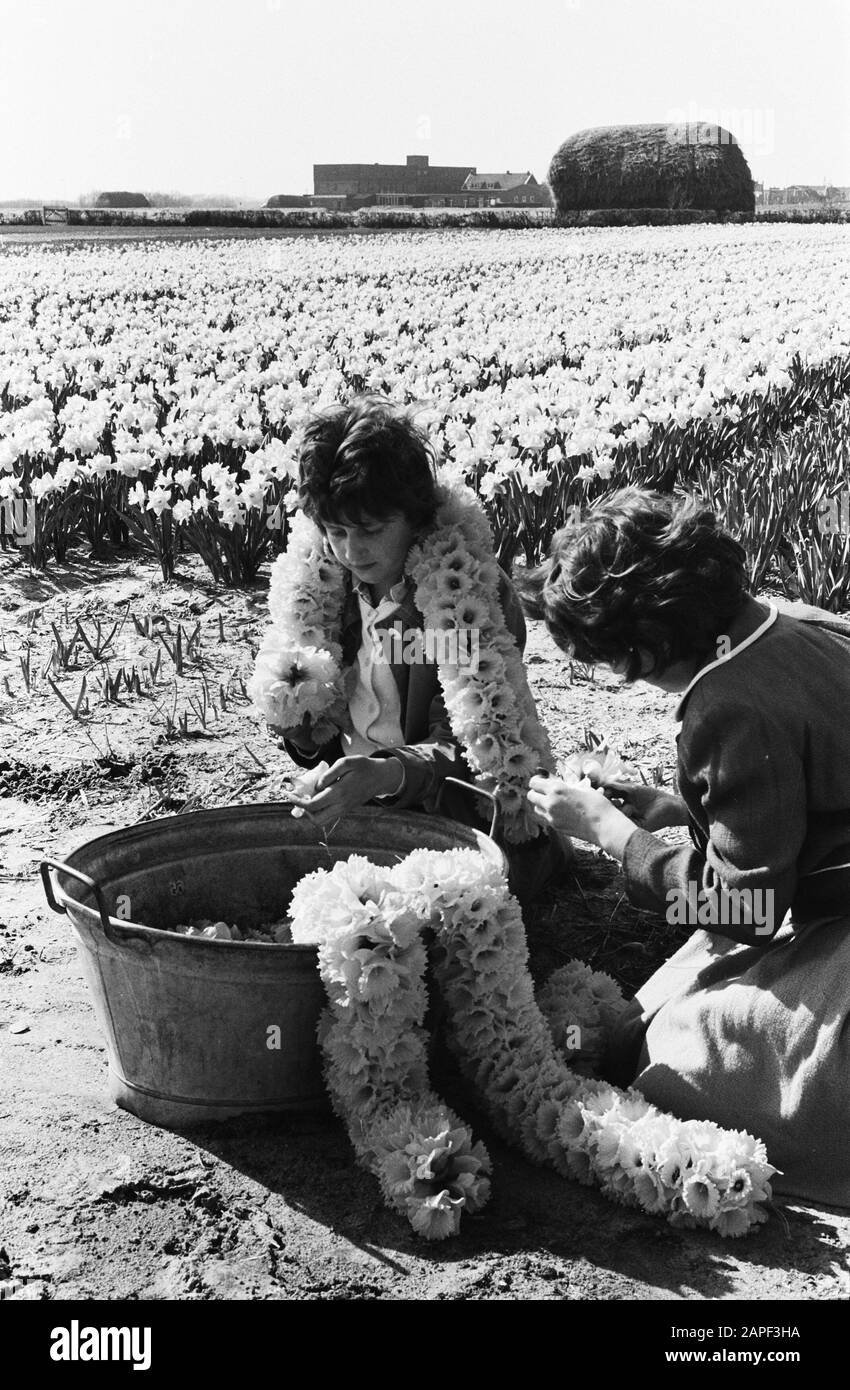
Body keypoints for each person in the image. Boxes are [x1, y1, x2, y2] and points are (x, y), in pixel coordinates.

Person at [520, 486, 850, 1206]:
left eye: (612, 662)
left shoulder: (728, 699)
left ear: (644, 647)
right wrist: (681, 806)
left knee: (669, 1052)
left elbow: (751, 905)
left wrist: (616, 837)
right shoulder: (798, 623)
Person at [258, 394, 567, 903]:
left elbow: (470, 747)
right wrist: (306, 731)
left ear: (414, 515)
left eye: (372, 531)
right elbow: (317, 733)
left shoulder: (466, 593)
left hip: (445, 806)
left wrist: (387, 772)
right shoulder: (321, 588)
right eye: (336, 532)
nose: (352, 552)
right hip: (351, 802)